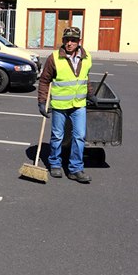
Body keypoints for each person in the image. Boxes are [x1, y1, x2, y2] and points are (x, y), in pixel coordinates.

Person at [37, 27, 97, 183]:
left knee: (79, 136)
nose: (70, 43)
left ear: (79, 42)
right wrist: (42, 101)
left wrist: (90, 94)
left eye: (73, 40)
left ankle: (75, 169)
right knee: (57, 136)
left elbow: (85, 78)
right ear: (63, 41)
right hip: (59, 105)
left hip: (79, 104)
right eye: (67, 40)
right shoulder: (54, 58)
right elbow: (44, 81)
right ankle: (55, 163)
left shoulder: (87, 57)